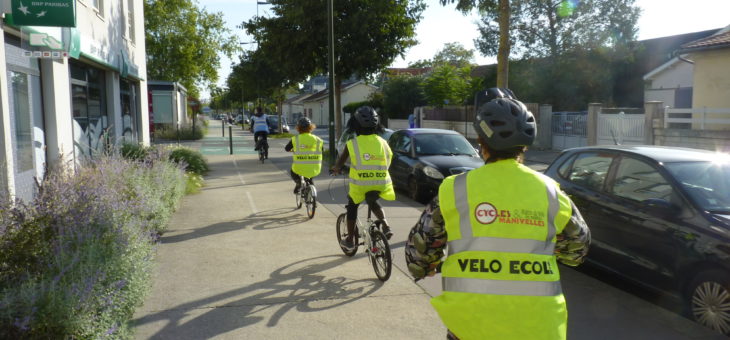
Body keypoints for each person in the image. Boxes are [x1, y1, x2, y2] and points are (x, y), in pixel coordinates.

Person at [405, 88, 590, 340]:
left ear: (481, 141)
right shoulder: (550, 191)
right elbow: (578, 248)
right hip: (539, 327)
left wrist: (428, 266)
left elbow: (419, 252)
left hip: (471, 324)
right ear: (524, 146)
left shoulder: (456, 188)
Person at [331, 106, 395, 247]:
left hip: (360, 185)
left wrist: (336, 169)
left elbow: (340, 162)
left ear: (355, 125)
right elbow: (389, 157)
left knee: (352, 207)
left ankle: (349, 240)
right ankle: (386, 225)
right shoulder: (383, 142)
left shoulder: (352, 144)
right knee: (372, 200)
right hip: (381, 182)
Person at [285, 117, 323, 194]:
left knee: (293, 172)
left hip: (299, 168)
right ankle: (312, 194)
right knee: (310, 176)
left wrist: (293, 150)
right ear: (311, 127)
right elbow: (321, 150)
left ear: (298, 128)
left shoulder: (295, 139)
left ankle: (298, 183)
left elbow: (287, 148)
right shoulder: (318, 139)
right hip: (315, 167)